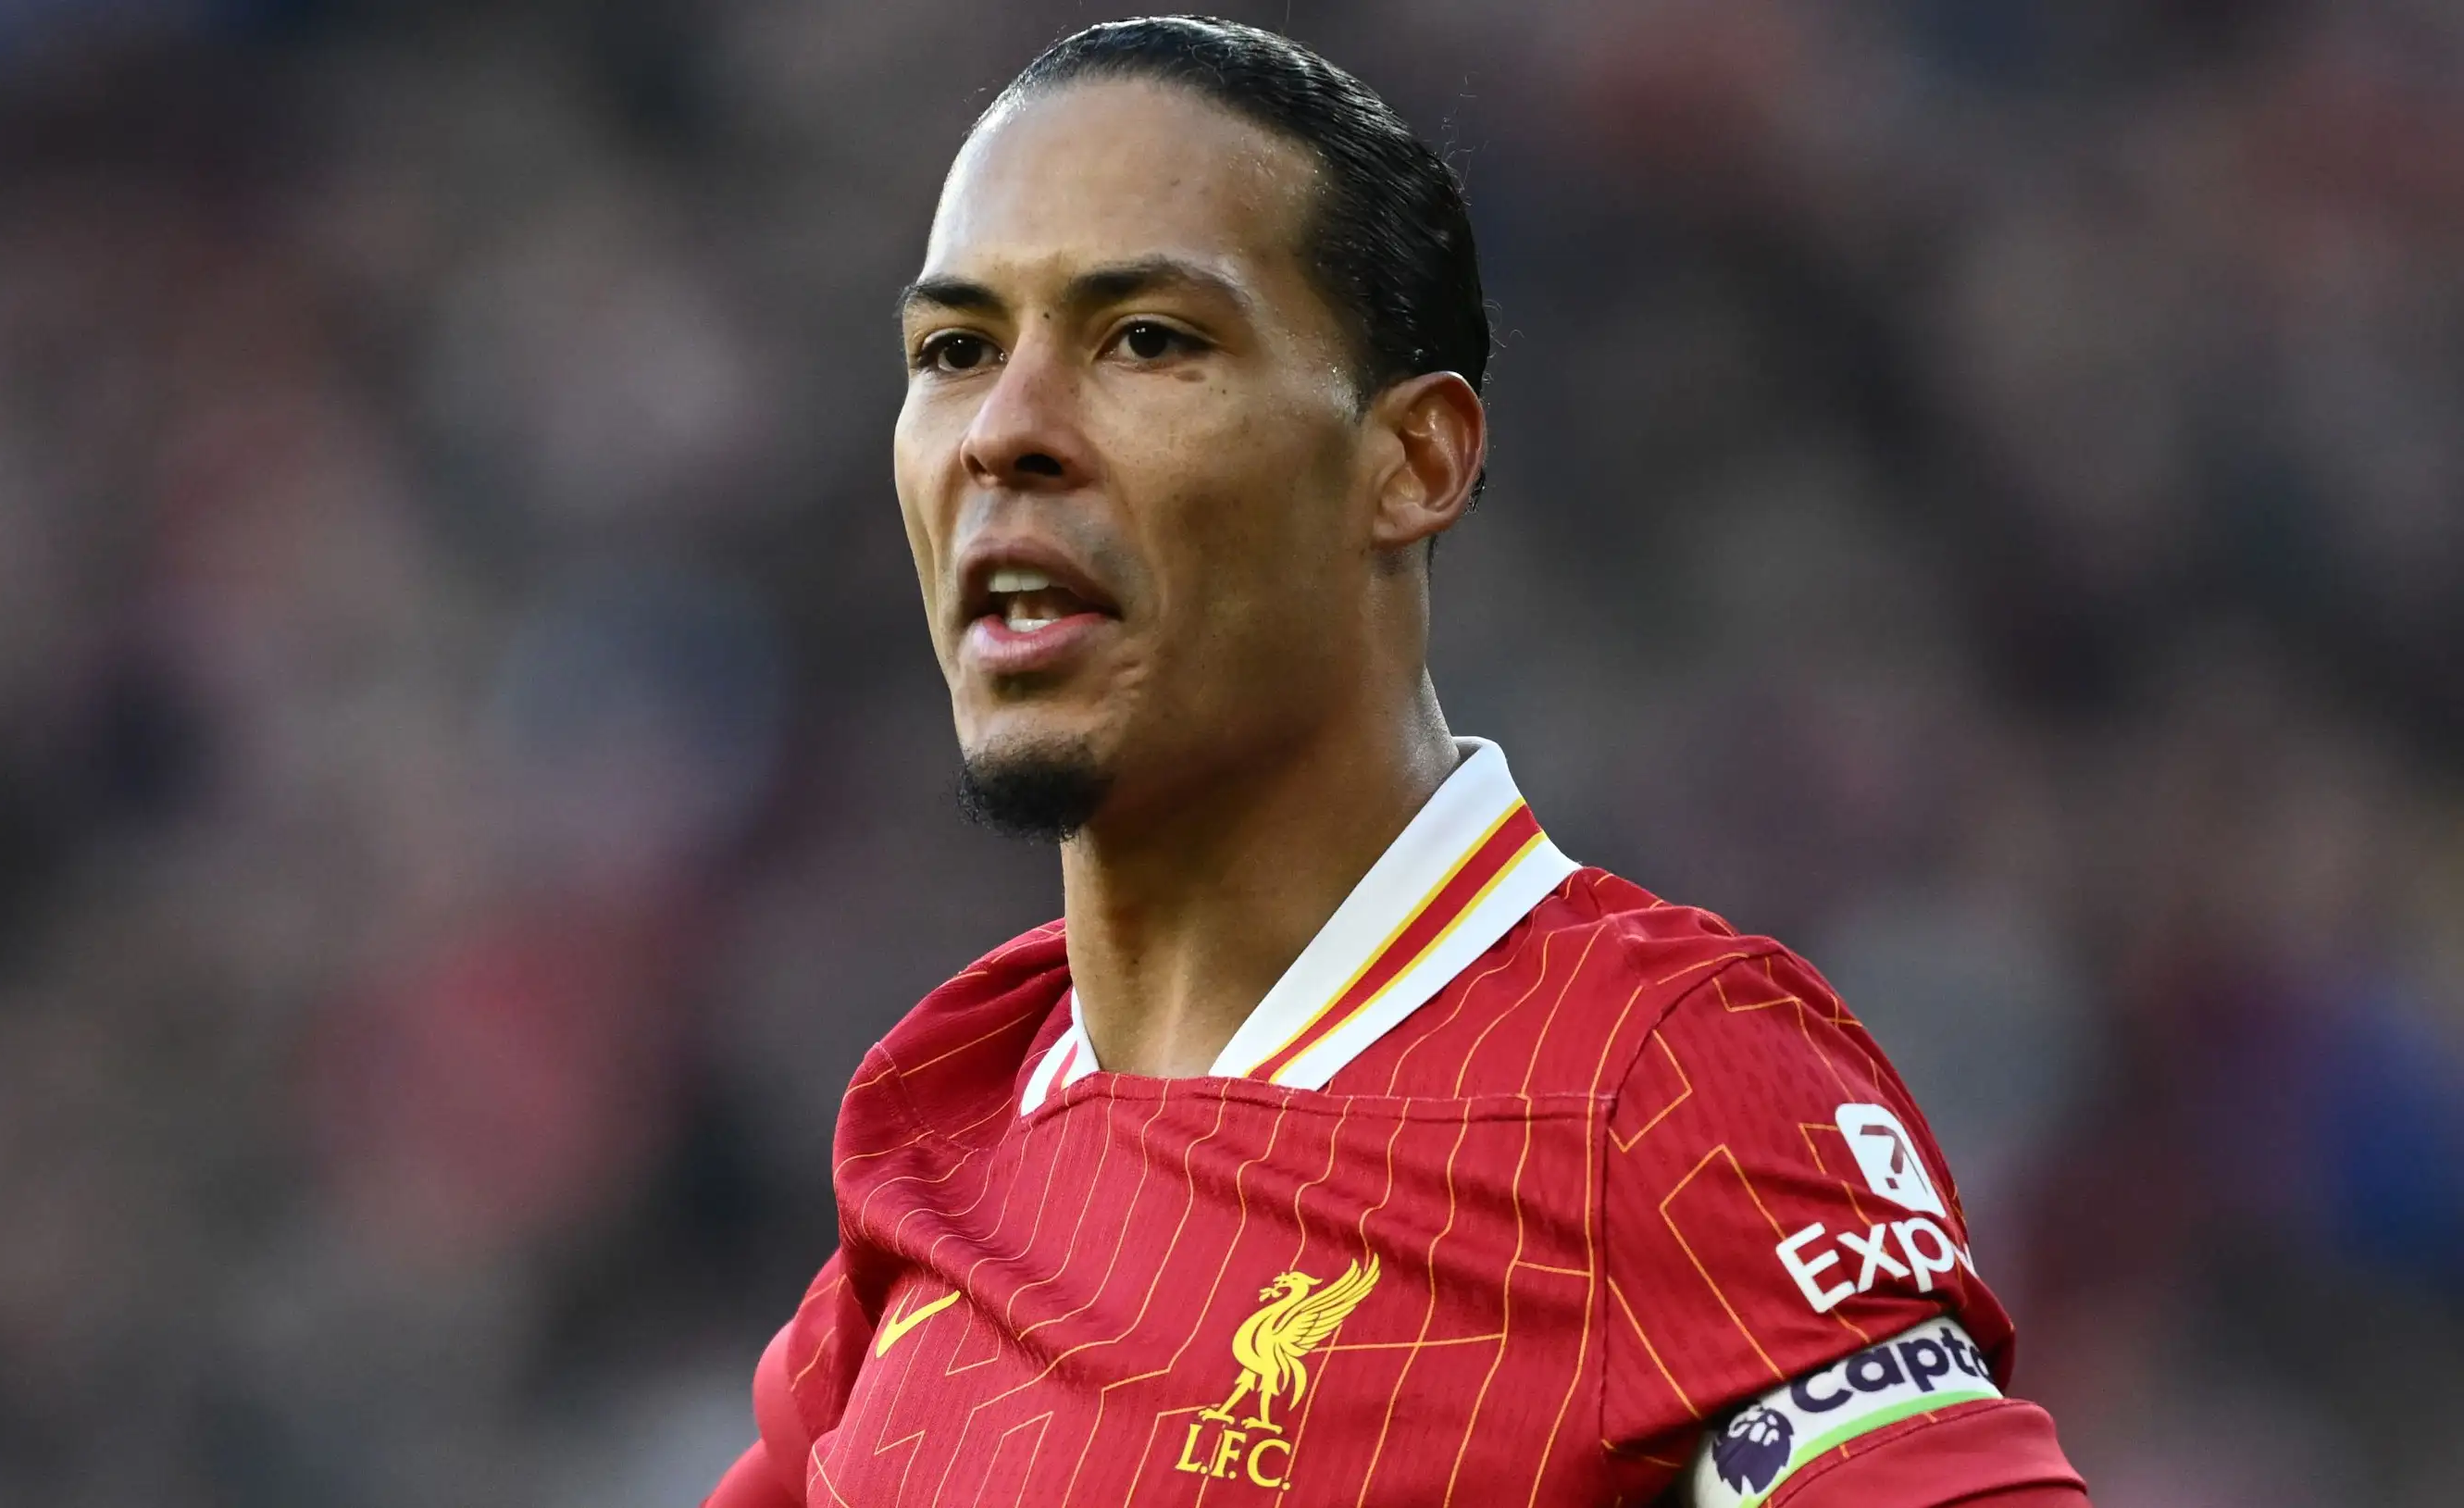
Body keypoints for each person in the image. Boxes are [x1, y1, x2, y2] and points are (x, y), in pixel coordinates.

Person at [708, 17, 2086, 1507]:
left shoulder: (1660, 1097)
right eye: (956, 351)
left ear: (1414, 462)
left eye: (1149, 339)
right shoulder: (954, 1107)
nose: (1005, 432)